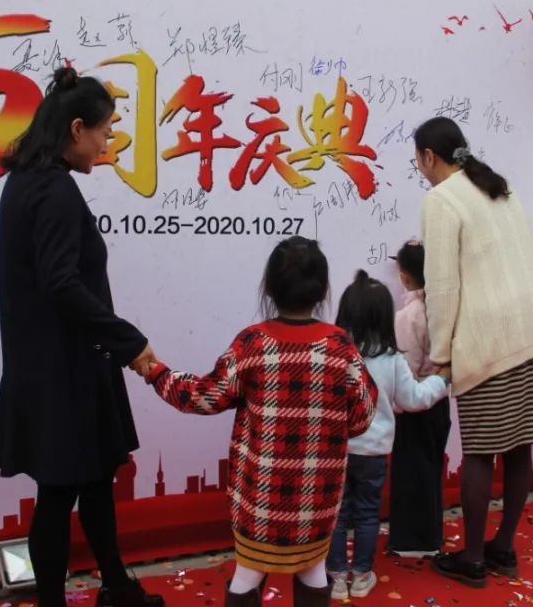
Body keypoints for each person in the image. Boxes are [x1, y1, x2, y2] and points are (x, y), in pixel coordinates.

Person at [0, 66, 164, 607]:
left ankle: (115, 586)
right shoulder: (54, 190)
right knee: (60, 491)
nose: (107, 145)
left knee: (92, 480)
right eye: (105, 133)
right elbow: (61, 284)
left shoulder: (27, 181)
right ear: (76, 129)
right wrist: (130, 342)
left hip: (55, 364)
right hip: (63, 370)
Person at [133, 237, 378, 607]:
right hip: (317, 501)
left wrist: (157, 373)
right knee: (313, 571)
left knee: (247, 574)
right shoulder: (341, 348)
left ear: (270, 287)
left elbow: (202, 397)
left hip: (258, 504)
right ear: (323, 289)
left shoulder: (252, 344)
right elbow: (363, 416)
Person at [413, 117, 533, 589]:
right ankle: (504, 547)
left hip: (491, 337)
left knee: (480, 451)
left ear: (428, 157)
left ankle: (474, 558)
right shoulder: (499, 187)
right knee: (520, 448)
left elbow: (442, 286)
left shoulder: (441, 199)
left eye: (417, 160)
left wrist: (441, 354)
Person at [326, 270, 451, 601]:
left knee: (337, 514)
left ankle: (335, 577)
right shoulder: (392, 359)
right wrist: (441, 381)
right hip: (373, 452)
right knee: (367, 513)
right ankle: (361, 575)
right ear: (384, 317)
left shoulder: (332, 355)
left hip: (336, 452)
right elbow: (413, 400)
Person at [386, 241, 453, 557]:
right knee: (431, 467)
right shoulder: (443, 311)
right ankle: (430, 535)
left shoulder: (408, 316)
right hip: (439, 397)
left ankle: (412, 540)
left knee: (412, 471)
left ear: (404, 276)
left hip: (415, 400)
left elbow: (406, 367)